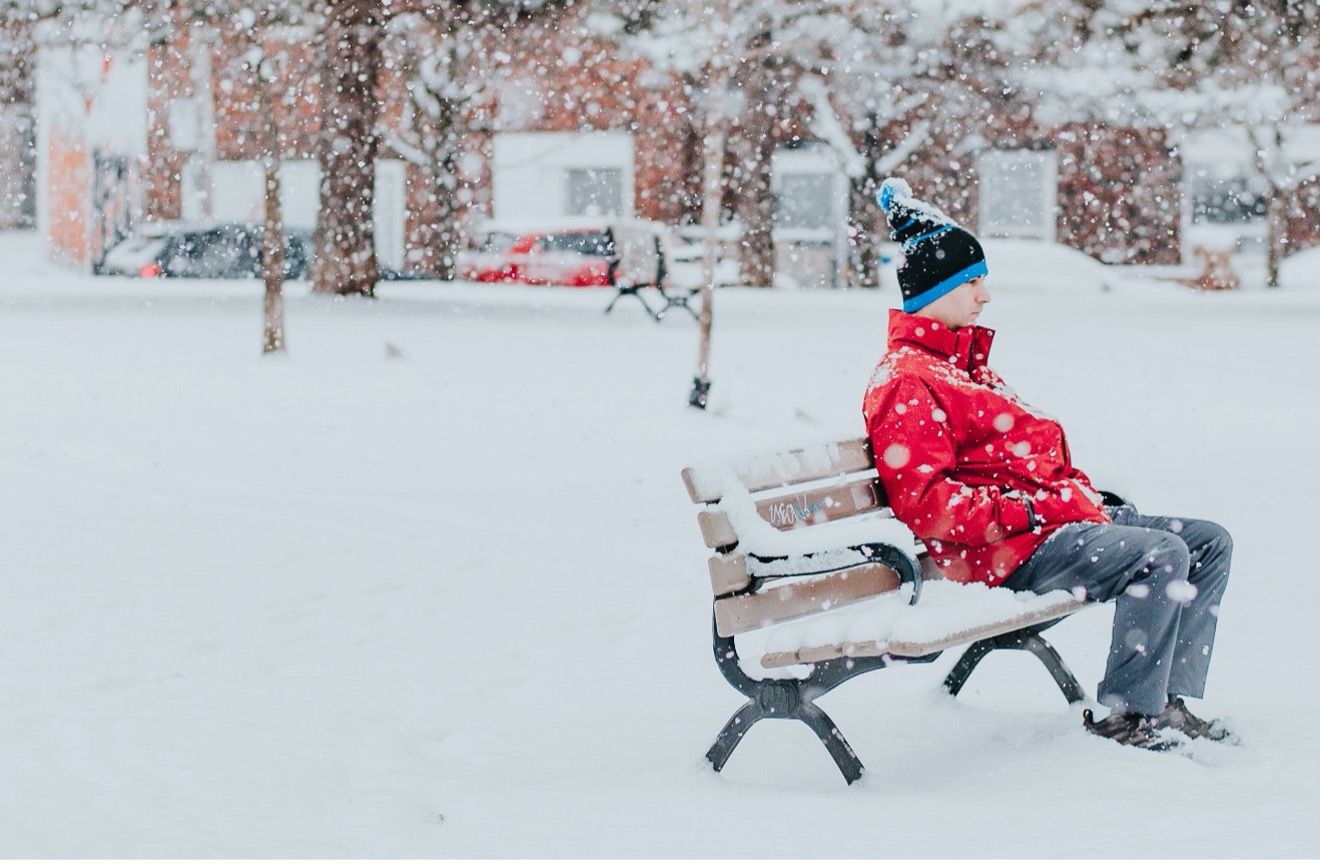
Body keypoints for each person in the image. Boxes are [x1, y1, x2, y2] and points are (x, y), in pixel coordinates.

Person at [861, 177, 1235, 750]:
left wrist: (1073, 499)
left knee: (1208, 542)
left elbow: (1019, 458)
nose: (984, 296)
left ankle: (1164, 703)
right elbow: (930, 508)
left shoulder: (961, 366)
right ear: (938, 289)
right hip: (1001, 552)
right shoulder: (910, 382)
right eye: (973, 282)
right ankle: (1126, 717)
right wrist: (1038, 509)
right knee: (1161, 554)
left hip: (1047, 527)